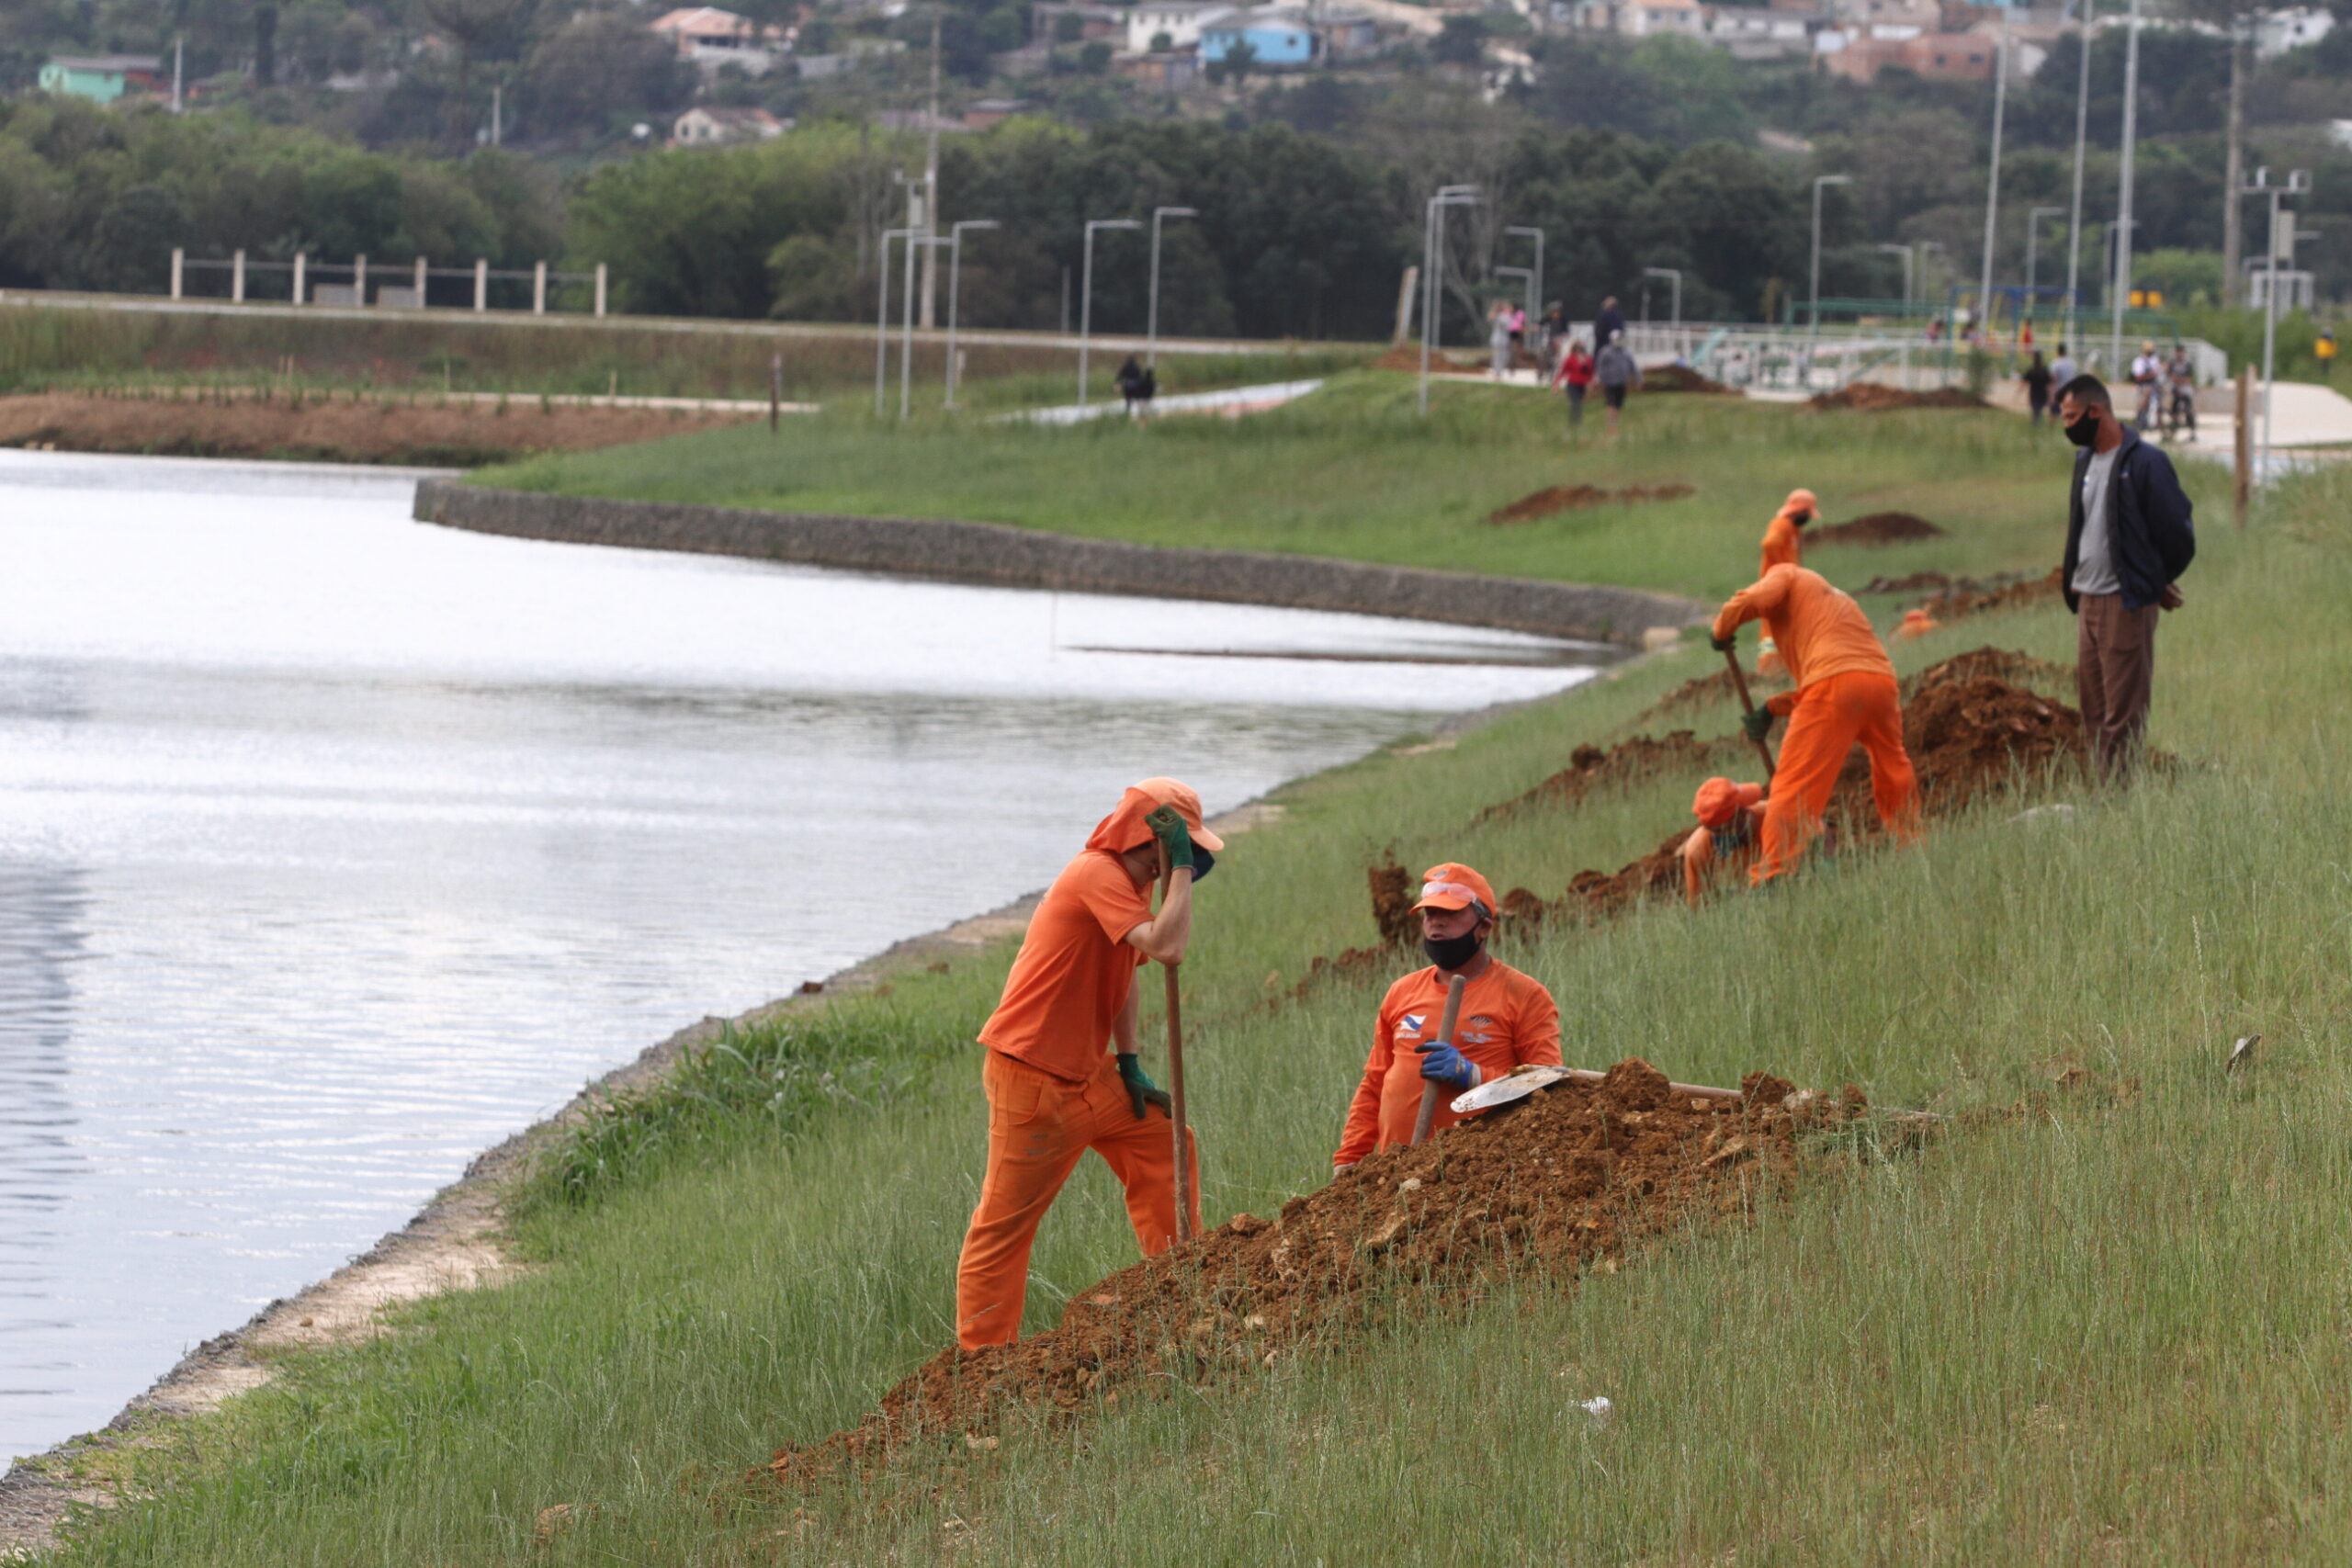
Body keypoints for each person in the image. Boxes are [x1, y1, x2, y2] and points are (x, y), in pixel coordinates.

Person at [954, 778, 1221, 1348]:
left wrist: (1128, 1061)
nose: (1190, 861)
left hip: (1088, 1072)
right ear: (1152, 839)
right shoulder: (1096, 874)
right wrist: (1175, 871)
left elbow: (1127, 972)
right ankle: (981, 1367)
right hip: (1032, 1077)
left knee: (1166, 1143)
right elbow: (1170, 947)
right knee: (1004, 1226)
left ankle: (1178, 1288)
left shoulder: (1131, 883)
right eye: (1183, 848)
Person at [1332, 863, 1560, 1173]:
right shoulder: (1402, 992)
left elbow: (1549, 1089)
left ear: (1484, 927)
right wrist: (1350, 1157)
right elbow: (1375, 1083)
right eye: (1430, 915)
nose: (1436, 924)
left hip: (1476, 1177)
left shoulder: (1524, 995)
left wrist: (1474, 1076)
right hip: (1395, 1174)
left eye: (1450, 915)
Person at [1711, 564, 1919, 886]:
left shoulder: (1787, 574)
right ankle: (1911, 843)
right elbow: (1841, 678)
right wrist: (1770, 709)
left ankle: (1773, 876)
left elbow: (1759, 598)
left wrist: (1722, 629)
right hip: (1880, 682)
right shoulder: (1833, 600)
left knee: (1793, 784)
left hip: (1834, 684)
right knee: (1892, 764)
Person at [2055, 375, 2195, 776]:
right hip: (2087, 600)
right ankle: (2105, 796)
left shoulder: (2145, 463)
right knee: (2094, 710)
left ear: (2095, 412)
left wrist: (2152, 580)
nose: (2068, 427)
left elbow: (2177, 532)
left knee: (2123, 715)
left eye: (2071, 417)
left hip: (2124, 603)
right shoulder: (2085, 461)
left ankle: (2121, 804)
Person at [1679, 778, 1768, 908]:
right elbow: (1700, 910)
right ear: (1739, 815)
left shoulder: (1771, 815)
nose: (1749, 808)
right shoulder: (1698, 850)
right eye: (1743, 804)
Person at [1760, 487, 1817, 574]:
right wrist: (1785, 568)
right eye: (1806, 513)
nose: (1808, 517)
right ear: (1798, 510)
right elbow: (1769, 544)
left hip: (1787, 579)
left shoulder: (1794, 527)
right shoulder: (1782, 524)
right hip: (1777, 580)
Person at [1595, 330, 1640, 434]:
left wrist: (1638, 379)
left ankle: (1615, 424)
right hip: (1610, 382)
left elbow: (1633, 367)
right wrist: (1600, 379)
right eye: (1617, 339)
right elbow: (1600, 367)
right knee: (1612, 404)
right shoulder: (1605, 352)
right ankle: (1611, 426)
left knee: (1618, 405)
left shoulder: (1626, 352)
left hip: (1621, 382)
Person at [1552, 334, 1595, 428]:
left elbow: (1590, 372)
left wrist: (1591, 382)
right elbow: (1563, 371)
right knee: (1575, 404)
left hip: (1582, 385)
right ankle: (1575, 424)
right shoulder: (1570, 359)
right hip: (1572, 384)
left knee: (1578, 403)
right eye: (1579, 347)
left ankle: (1575, 424)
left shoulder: (1588, 359)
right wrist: (1556, 383)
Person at [2164, 344, 2194, 439]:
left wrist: (2178, 379)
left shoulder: (2187, 364)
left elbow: (2188, 379)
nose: (2180, 354)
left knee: (2188, 410)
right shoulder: (2172, 363)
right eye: (2178, 352)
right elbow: (2169, 376)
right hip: (2175, 389)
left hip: (2185, 389)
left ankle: (2192, 433)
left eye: (2181, 352)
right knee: (2173, 411)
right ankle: (2173, 432)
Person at [2129, 340, 2161, 431]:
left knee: (2154, 405)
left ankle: (2153, 424)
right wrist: (2152, 374)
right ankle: (2140, 423)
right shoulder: (2139, 361)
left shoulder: (2154, 360)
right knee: (2142, 405)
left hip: (2154, 386)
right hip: (2143, 386)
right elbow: (2138, 377)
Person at [2022, 350, 2053, 426]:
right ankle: (2036, 424)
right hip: (2043, 395)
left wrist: (2017, 393)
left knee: (2035, 411)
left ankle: (2035, 424)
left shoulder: (2031, 370)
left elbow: (2024, 381)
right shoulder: (2045, 370)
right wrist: (2051, 396)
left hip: (2034, 395)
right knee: (2038, 411)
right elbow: (2050, 383)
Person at [1487, 299, 1513, 378]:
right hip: (1498, 339)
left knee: (1503, 357)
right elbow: (1491, 317)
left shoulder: (1506, 316)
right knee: (1498, 357)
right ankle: (1497, 373)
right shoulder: (1501, 316)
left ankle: (1498, 372)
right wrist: (1495, 310)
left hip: (1504, 340)